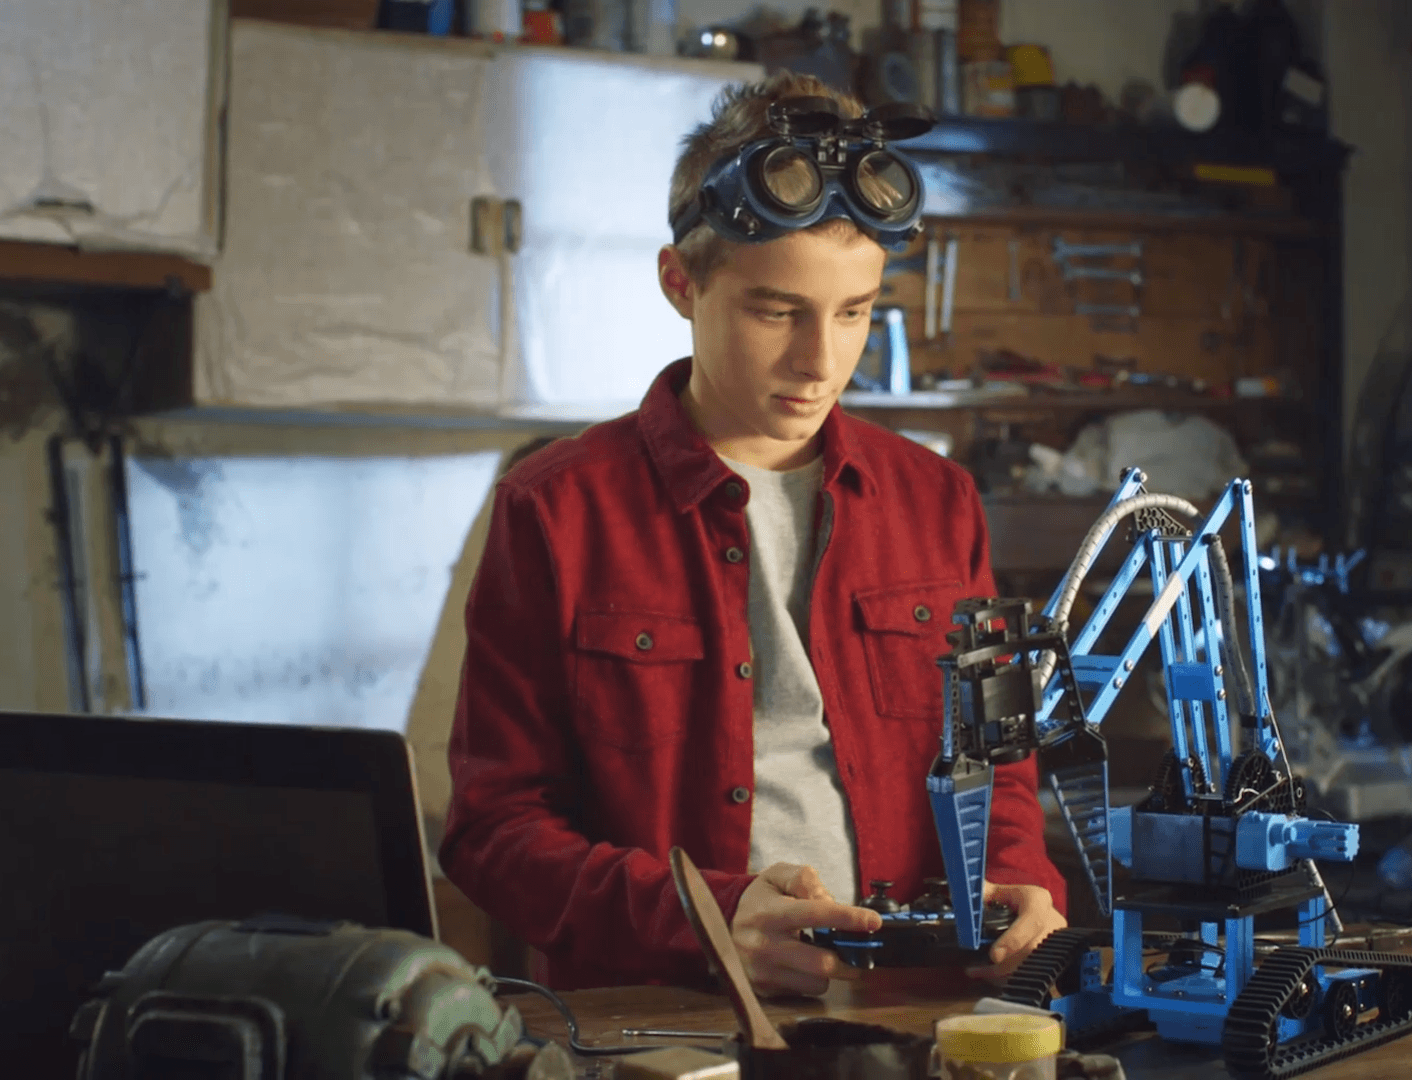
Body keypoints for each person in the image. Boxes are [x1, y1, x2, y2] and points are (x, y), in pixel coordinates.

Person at [440, 72, 1066, 996]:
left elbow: (998, 762)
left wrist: (1024, 886)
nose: (821, 362)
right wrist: (704, 919)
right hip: (663, 1022)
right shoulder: (555, 510)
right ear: (679, 282)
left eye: (854, 312)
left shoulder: (942, 502)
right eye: (777, 312)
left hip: (912, 1014)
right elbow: (493, 832)